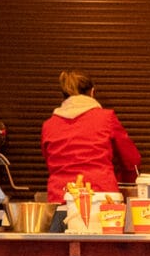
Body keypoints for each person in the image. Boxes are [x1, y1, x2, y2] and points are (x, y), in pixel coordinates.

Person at [41, 70, 141, 202]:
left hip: (61, 197)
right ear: (92, 92)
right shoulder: (106, 118)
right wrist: (127, 183)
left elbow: (50, 162)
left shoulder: (49, 125)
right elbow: (131, 160)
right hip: (102, 197)